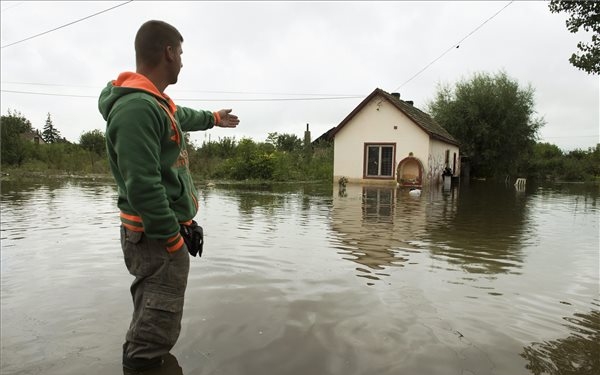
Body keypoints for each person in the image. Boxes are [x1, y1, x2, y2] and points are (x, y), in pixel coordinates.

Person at [98, 20, 240, 371]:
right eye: (181, 53)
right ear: (168, 52)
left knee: (152, 316)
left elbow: (180, 115)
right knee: (153, 333)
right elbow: (142, 186)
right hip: (155, 236)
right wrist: (172, 241)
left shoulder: (155, 104)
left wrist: (213, 118)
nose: (182, 61)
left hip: (159, 234)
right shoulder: (137, 109)